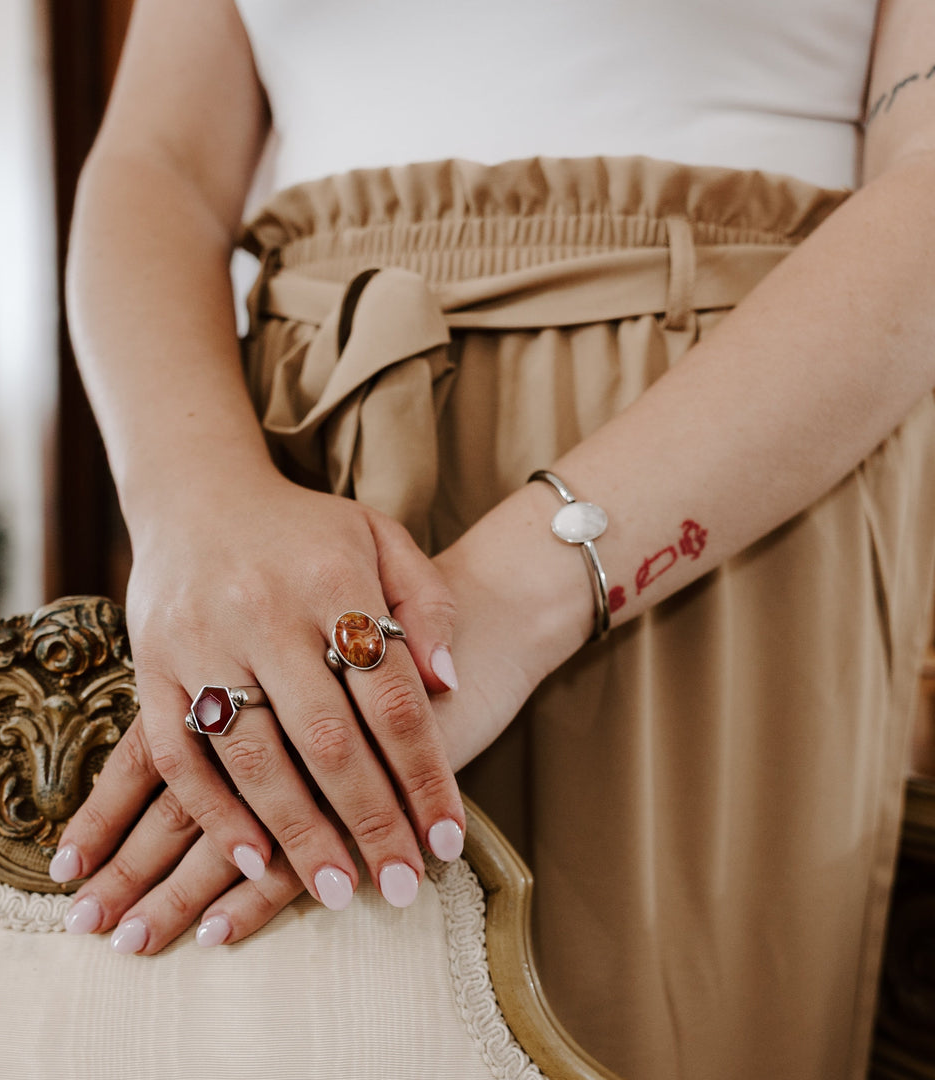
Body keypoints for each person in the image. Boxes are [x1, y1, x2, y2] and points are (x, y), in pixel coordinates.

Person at [48, 1, 935, 1077]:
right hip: (287, 497)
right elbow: (158, 162)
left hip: (716, 504)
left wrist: (512, 600)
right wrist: (194, 502)